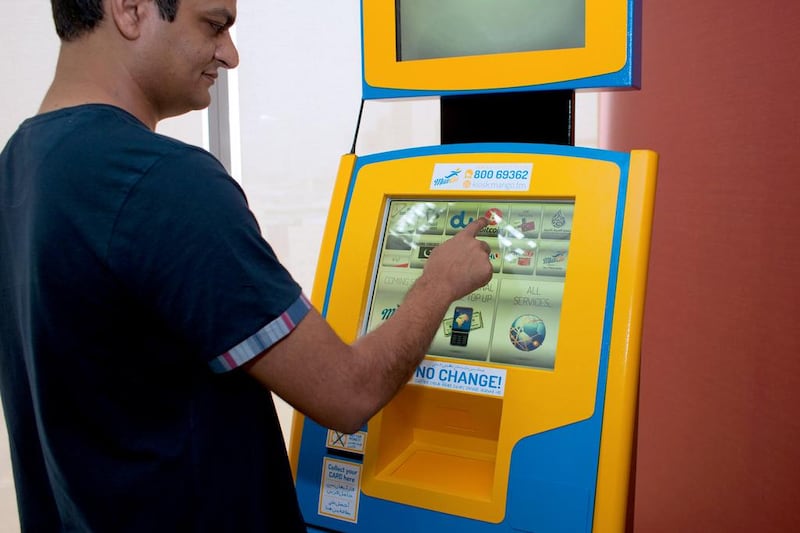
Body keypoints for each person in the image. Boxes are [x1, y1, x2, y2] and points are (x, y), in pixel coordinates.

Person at [0, 0, 493, 531]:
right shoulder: (161, 182)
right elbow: (348, 394)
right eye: (214, 25)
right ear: (130, 9)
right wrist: (440, 282)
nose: (230, 56)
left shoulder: (19, 165)